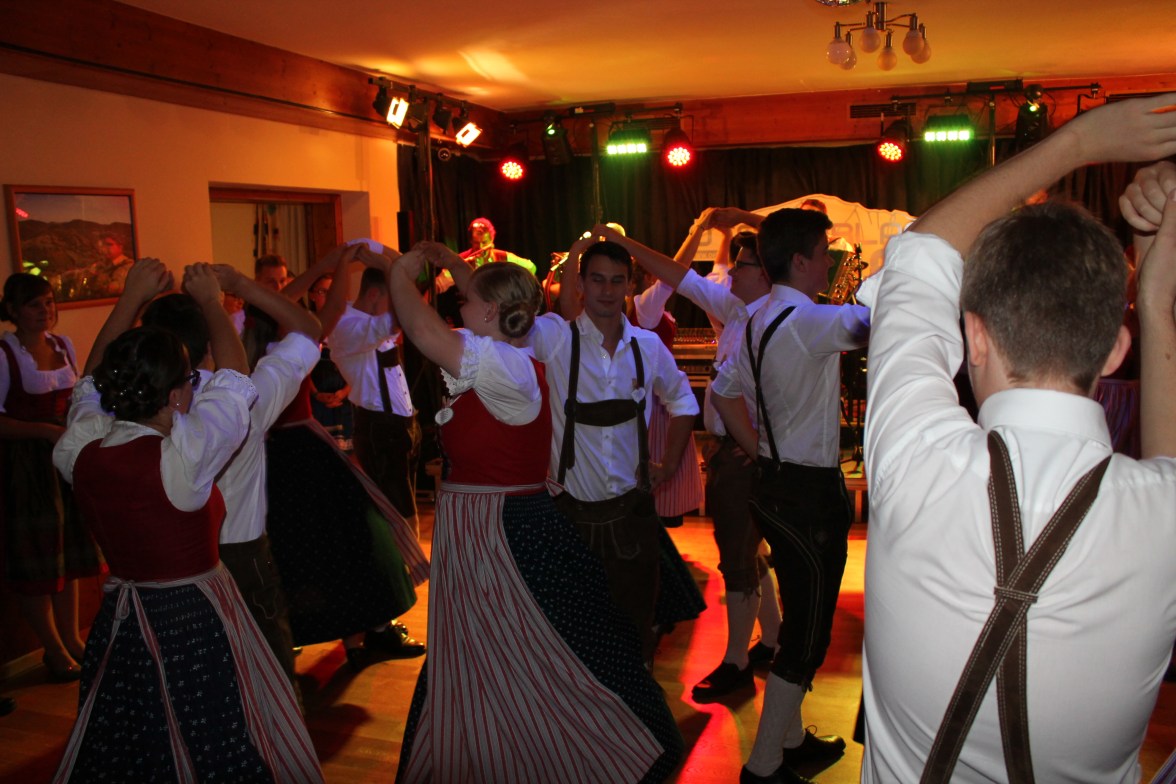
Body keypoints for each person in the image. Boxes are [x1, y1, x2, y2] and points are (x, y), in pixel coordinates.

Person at [858, 95, 1176, 782]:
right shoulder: (1164, 513)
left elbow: (921, 252)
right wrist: (1155, 301)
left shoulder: (914, 457)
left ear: (973, 336)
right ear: (1115, 351)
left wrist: (1080, 142)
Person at [355, 241, 682, 783]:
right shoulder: (501, 351)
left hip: (498, 529)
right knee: (494, 647)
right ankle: (497, 747)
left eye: (467, 300)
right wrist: (457, 267)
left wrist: (397, 276)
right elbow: (483, 305)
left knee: (528, 647)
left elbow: (423, 331)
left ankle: (574, 748)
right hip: (486, 525)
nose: (459, 304)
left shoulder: (506, 366)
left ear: (489, 312)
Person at [51, 263, 322, 783]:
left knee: (139, 725)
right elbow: (238, 377)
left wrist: (130, 296)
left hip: (124, 612)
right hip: (196, 609)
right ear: (178, 392)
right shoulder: (186, 453)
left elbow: (87, 384)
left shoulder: (79, 446)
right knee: (225, 724)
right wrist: (219, 298)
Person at [598, 213, 786, 702]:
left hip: (744, 456)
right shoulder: (740, 309)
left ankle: (736, 662)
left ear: (766, 274)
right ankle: (771, 639)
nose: (732, 271)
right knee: (749, 553)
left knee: (738, 562)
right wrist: (623, 243)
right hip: (735, 450)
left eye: (743, 265)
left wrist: (757, 444)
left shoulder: (772, 319)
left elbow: (788, 394)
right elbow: (678, 275)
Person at [711, 208, 870, 783]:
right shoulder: (808, 320)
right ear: (801, 261)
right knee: (806, 636)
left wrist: (758, 448)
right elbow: (873, 321)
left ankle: (793, 740)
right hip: (807, 495)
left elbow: (723, 391)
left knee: (801, 617)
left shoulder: (754, 319)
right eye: (824, 254)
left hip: (774, 484)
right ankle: (763, 766)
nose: (830, 263)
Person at [526, 236, 700, 665]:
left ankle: (632, 697)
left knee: (634, 631)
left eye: (617, 280)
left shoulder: (647, 346)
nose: (607, 290)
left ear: (629, 286)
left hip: (631, 514)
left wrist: (670, 464)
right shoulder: (555, 337)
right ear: (581, 283)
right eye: (597, 279)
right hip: (569, 514)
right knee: (571, 634)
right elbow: (500, 328)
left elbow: (683, 401)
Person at [251, 245, 427, 666]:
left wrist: (332, 266)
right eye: (271, 285)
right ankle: (319, 635)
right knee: (314, 545)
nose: (283, 290)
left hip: (301, 445)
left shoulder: (286, 331)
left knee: (350, 539)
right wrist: (337, 264)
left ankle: (363, 636)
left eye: (284, 281)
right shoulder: (260, 332)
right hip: (279, 450)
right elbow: (325, 314)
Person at [0, 273, 104, 683]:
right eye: (34, 305)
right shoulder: (5, 355)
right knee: (38, 559)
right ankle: (53, 648)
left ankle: (72, 638)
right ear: (13, 310)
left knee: (68, 553)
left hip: (63, 460)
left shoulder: (63, 346)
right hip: (25, 468)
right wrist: (44, 431)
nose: (45, 311)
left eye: (48, 302)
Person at [331, 264, 422, 535]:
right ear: (373, 294)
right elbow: (394, 321)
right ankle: (406, 559)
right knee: (397, 511)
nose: (395, 306)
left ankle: (409, 558)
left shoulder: (368, 321)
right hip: (379, 428)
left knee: (405, 503)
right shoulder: (345, 326)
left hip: (400, 425)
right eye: (392, 299)